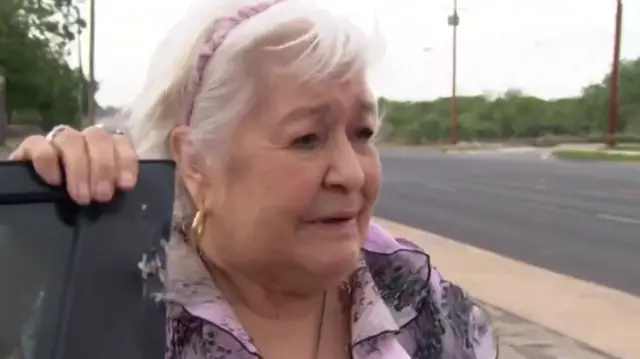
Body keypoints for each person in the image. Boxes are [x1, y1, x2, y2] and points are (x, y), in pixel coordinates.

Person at [9, 0, 498, 358]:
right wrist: (28, 236)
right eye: (308, 138)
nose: (350, 173)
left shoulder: (415, 298)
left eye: (363, 133)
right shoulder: (119, 303)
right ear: (197, 162)